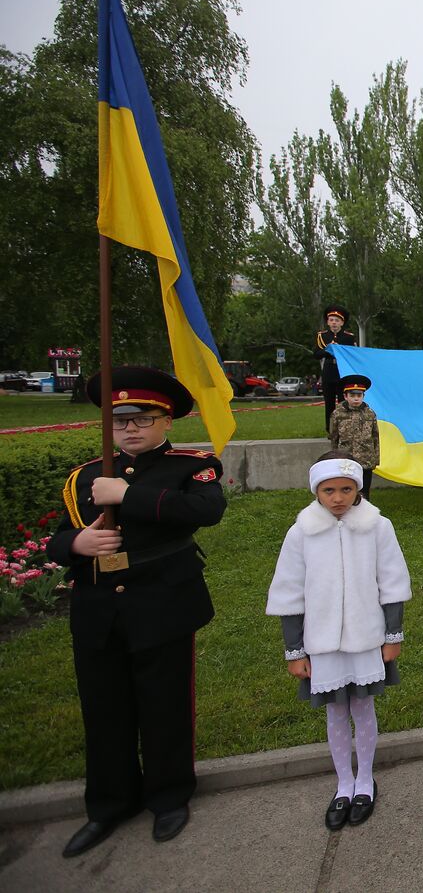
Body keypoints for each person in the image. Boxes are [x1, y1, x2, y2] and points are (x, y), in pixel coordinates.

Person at [47, 367, 227, 857]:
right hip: (98, 607)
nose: (130, 429)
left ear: (166, 422)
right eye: (119, 420)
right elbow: (58, 539)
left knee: (164, 703)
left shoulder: (191, 467)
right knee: (104, 708)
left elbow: (205, 511)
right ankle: (108, 803)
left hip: (162, 602)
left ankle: (169, 795)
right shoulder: (84, 476)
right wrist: (77, 543)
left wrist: (128, 495)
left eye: (143, 419)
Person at [266, 452, 411, 830]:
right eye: (328, 490)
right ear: (316, 490)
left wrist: (392, 636)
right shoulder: (301, 532)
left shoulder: (378, 527)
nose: (338, 498)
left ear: (358, 489)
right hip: (323, 644)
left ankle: (365, 779)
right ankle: (343, 784)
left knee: (363, 708)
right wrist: (295, 649)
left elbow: (392, 584)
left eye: (346, 489)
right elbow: (289, 593)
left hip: (366, 640)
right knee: (335, 712)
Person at [327, 375, 381, 497]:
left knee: (364, 492)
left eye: (359, 395)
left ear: (363, 396)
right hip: (346, 459)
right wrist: (335, 457)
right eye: (352, 395)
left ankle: (364, 512)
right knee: (347, 489)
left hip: (365, 459)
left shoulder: (370, 414)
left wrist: (375, 459)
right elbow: (334, 436)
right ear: (345, 396)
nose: (356, 399)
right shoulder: (338, 413)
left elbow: (375, 437)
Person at [315, 305, 358, 431]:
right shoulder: (322, 336)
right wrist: (328, 350)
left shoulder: (348, 337)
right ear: (328, 322)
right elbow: (316, 354)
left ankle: (344, 428)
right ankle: (330, 429)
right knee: (329, 402)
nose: (334, 323)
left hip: (342, 371)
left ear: (342, 323)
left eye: (337, 320)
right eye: (332, 320)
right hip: (329, 370)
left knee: (343, 401)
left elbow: (353, 354)